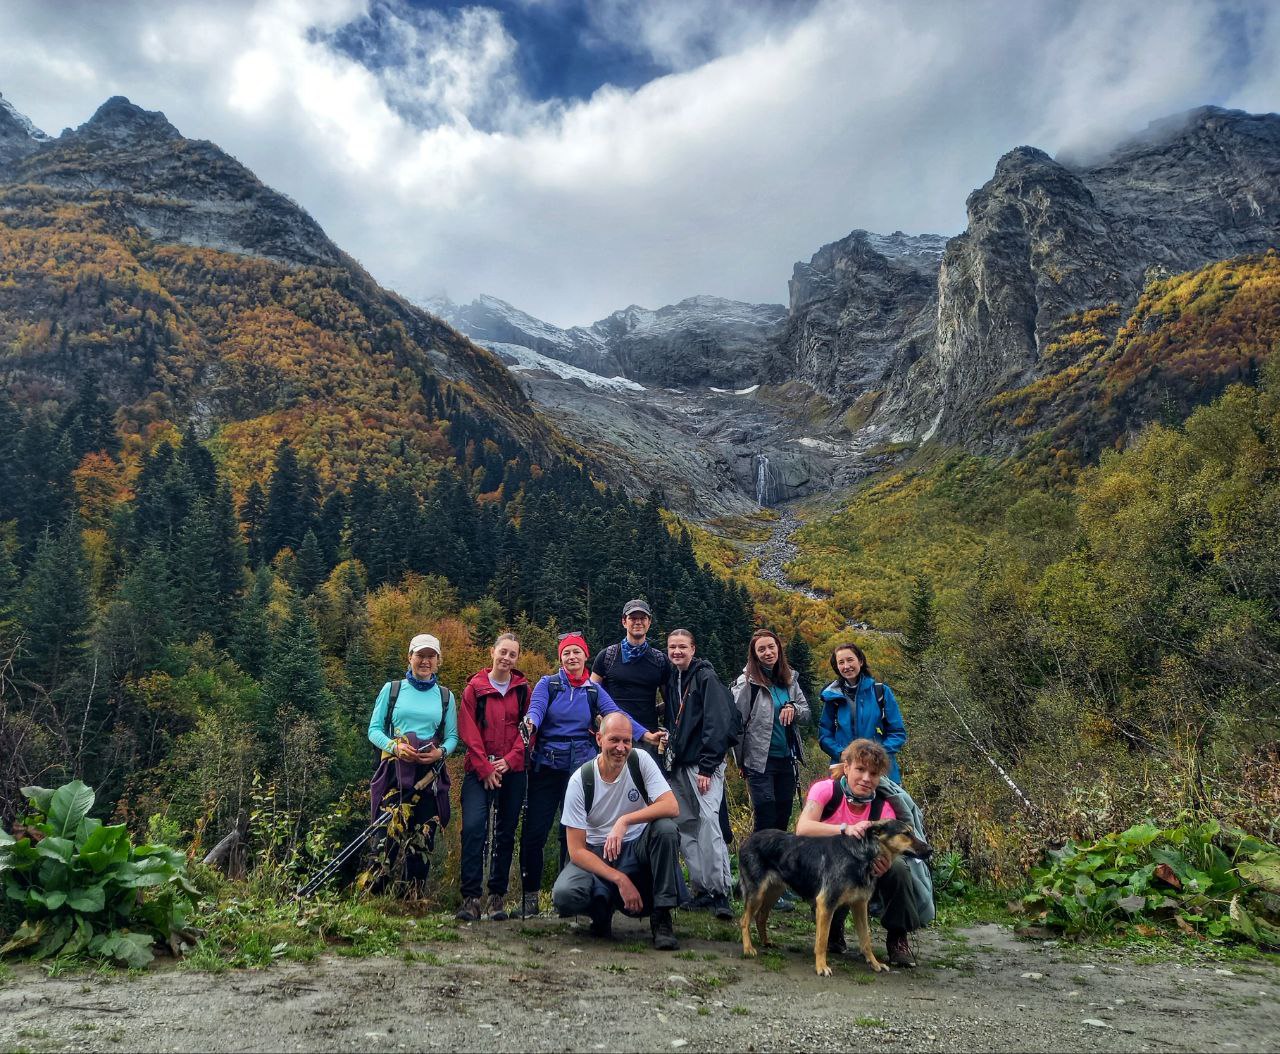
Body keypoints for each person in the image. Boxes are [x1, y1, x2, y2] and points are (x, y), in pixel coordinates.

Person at [519, 632, 665, 918]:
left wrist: (645, 735)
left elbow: (616, 716)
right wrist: (530, 725)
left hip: (580, 769)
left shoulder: (593, 691)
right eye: (566, 653)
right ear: (560, 658)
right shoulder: (548, 684)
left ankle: (570, 898)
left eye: (576, 652)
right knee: (535, 832)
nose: (571, 657)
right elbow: (535, 710)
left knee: (570, 835)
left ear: (585, 656)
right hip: (547, 767)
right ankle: (530, 896)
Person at [794, 738, 929, 967]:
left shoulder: (883, 807)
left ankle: (897, 938)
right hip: (824, 871)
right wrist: (844, 828)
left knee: (898, 869)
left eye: (874, 773)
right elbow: (802, 828)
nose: (866, 778)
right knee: (838, 873)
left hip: (866, 874)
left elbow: (893, 844)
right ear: (846, 767)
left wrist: (885, 862)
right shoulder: (826, 790)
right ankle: (834, 931)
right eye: (860, 769)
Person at [552, 712, 681, 949]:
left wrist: (624, 821)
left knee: (666, 829)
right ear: (599, 739)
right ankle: (600, 911)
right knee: (564, 894)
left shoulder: (640, 761)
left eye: (627, 741)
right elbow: (577, 851)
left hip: (635, 846)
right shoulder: (580, 781)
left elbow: (671, 806)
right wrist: (620, 879)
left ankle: (662, 916)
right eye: (614, 740)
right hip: (596, 850)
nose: (621, 748)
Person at [366, 632, 459, 892]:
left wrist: (439, 753)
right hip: (395, 771)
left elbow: (452, 737)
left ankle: (412, 900)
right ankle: (376, 898)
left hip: (428, 776)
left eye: (431, 656)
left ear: (438, 661)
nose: (425, 661)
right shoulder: (392, 689)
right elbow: (374, 730)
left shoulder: (445, 697)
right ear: (410, 658)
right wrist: (395, 747)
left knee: (422, 840)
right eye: (420, 655)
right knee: (385, 837)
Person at [455, 632, 530, 922]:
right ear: (492, 652)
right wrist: (485, 767)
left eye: (513, 654)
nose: (507, 658)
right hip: (478, 769)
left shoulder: (524, 689)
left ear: (517, 658)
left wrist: (509, 762)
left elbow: (527, 730)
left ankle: (496, 897)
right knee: (474, 828)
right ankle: (471, 898)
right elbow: (468, 730)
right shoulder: (474, 688)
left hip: (513, 771)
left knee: (505, 832)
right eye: (503, 652)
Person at [664, 628, 735, 920]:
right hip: (679, 764)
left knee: (708, 821)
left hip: (703, 765)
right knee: (685, 825)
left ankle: (721, 892)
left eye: (682, 646)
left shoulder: (706, 677)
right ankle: (702, 889)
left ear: (693, 649)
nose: (677, 652)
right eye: (672, 647)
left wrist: (708, 765)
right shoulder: (673, 679)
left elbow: (718, 721)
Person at [732, 628, 810, 834]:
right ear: (754, 654)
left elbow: (806, 714)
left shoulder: (790, 679)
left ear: (778, 649)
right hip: (759, 762)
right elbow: (737, 725)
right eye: (761, 649)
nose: (768, 652)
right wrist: (741, 762)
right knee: (766, 816)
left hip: (786, 759)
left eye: (771, 647)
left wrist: (793, 708)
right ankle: (758, 864)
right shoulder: (747, 684)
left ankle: (778, 864)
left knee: (783, 814)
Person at [818, 642, 908, 783]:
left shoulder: (881, 692)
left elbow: (898, 733)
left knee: (886, 806)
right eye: (841, 662)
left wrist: (875, 755)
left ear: (860, 661)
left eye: (850, 660)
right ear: (837, 667)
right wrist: (841, 754)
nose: (846, 666)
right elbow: (824, 735)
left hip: (880, 772)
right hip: (845, 772)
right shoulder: (832, 697)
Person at [591, 599, 670, 758]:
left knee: (643, 782)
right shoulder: (607, 656)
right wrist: (600, 718)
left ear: (649, 623)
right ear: (624, 622)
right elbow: (590, 695)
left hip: (649, 738)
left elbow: (671, 701)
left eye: (643, 618)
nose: (638, 622)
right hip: (613, 737)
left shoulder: (660, 660)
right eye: (633, 618)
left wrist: (654, 712)